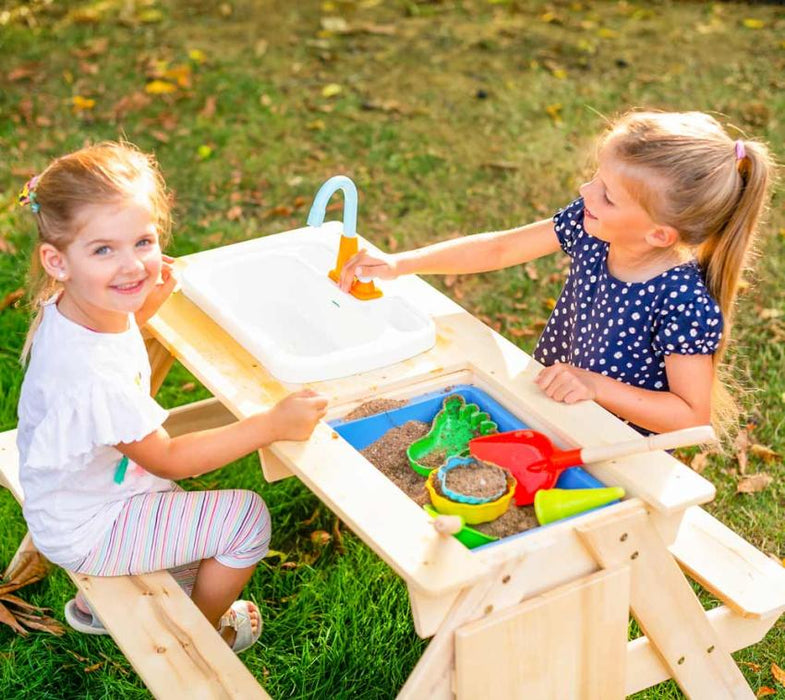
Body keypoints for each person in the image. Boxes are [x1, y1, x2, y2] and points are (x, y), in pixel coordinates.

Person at [16, 142, 327, 653]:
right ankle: (197, 633)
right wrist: (271, 424)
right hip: (90, 525)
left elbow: (107, 362)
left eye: (142, 241)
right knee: (244, 519)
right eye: (103, 250)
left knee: (183, 524)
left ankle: (99, 608)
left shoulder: (71, 307)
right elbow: (170, 459)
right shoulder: (97, 376)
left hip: (73, 494)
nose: (133, 265)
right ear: (57, 260)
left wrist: (139, 315)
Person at [340, 111, 773, 436]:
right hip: (552, 405)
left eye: (607, 194)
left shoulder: (684, 303)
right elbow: (500, 247)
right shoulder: (593, 227)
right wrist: (403, 263)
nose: (586, 192)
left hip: (618, 448)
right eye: (594, 179)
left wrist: (595, 387)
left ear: (659, 234)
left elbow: (690, 415)